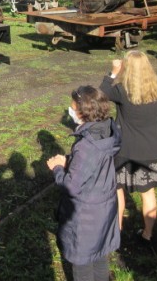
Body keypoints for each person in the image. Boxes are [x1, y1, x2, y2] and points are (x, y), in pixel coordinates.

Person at [47, 86, 121, 281]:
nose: (69, 110)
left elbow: (71, 186)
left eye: (72, 106)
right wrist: (71, 161)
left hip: (86, 216)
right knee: (99, 255)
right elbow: (96, 161)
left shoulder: (86, 145)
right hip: (104, 207)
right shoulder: (106, 130)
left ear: (82, 111)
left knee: (82, 265)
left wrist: (57, 168)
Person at [100, 52, 157, 245]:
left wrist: (113, 72)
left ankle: (117, 231)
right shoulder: (156, 90)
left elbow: (102, 92)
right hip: (152, 148)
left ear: (127, 68)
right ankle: (148, 234)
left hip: (126, 150)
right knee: (148, 194)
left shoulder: (122, 91)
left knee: (117, 191)